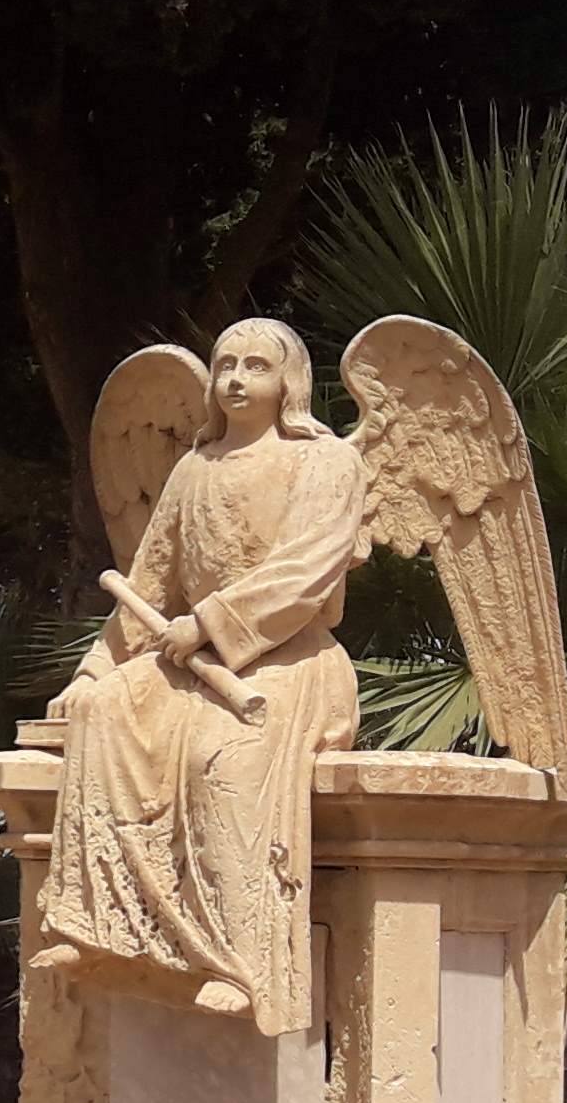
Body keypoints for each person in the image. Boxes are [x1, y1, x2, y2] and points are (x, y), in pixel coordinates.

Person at [33, 318, 366, 1036]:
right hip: (191, 658)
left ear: (290, 383)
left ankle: (241, 966)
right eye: (226, 365)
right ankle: (102, 927)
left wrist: (210, 623)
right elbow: (150, 583)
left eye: (257, 366)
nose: (238, 379)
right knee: (105, 711)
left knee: (223, 762)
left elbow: (307, 574)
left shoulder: (328, 464)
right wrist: (94, 668)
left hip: (288, 661)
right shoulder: (195, 469)